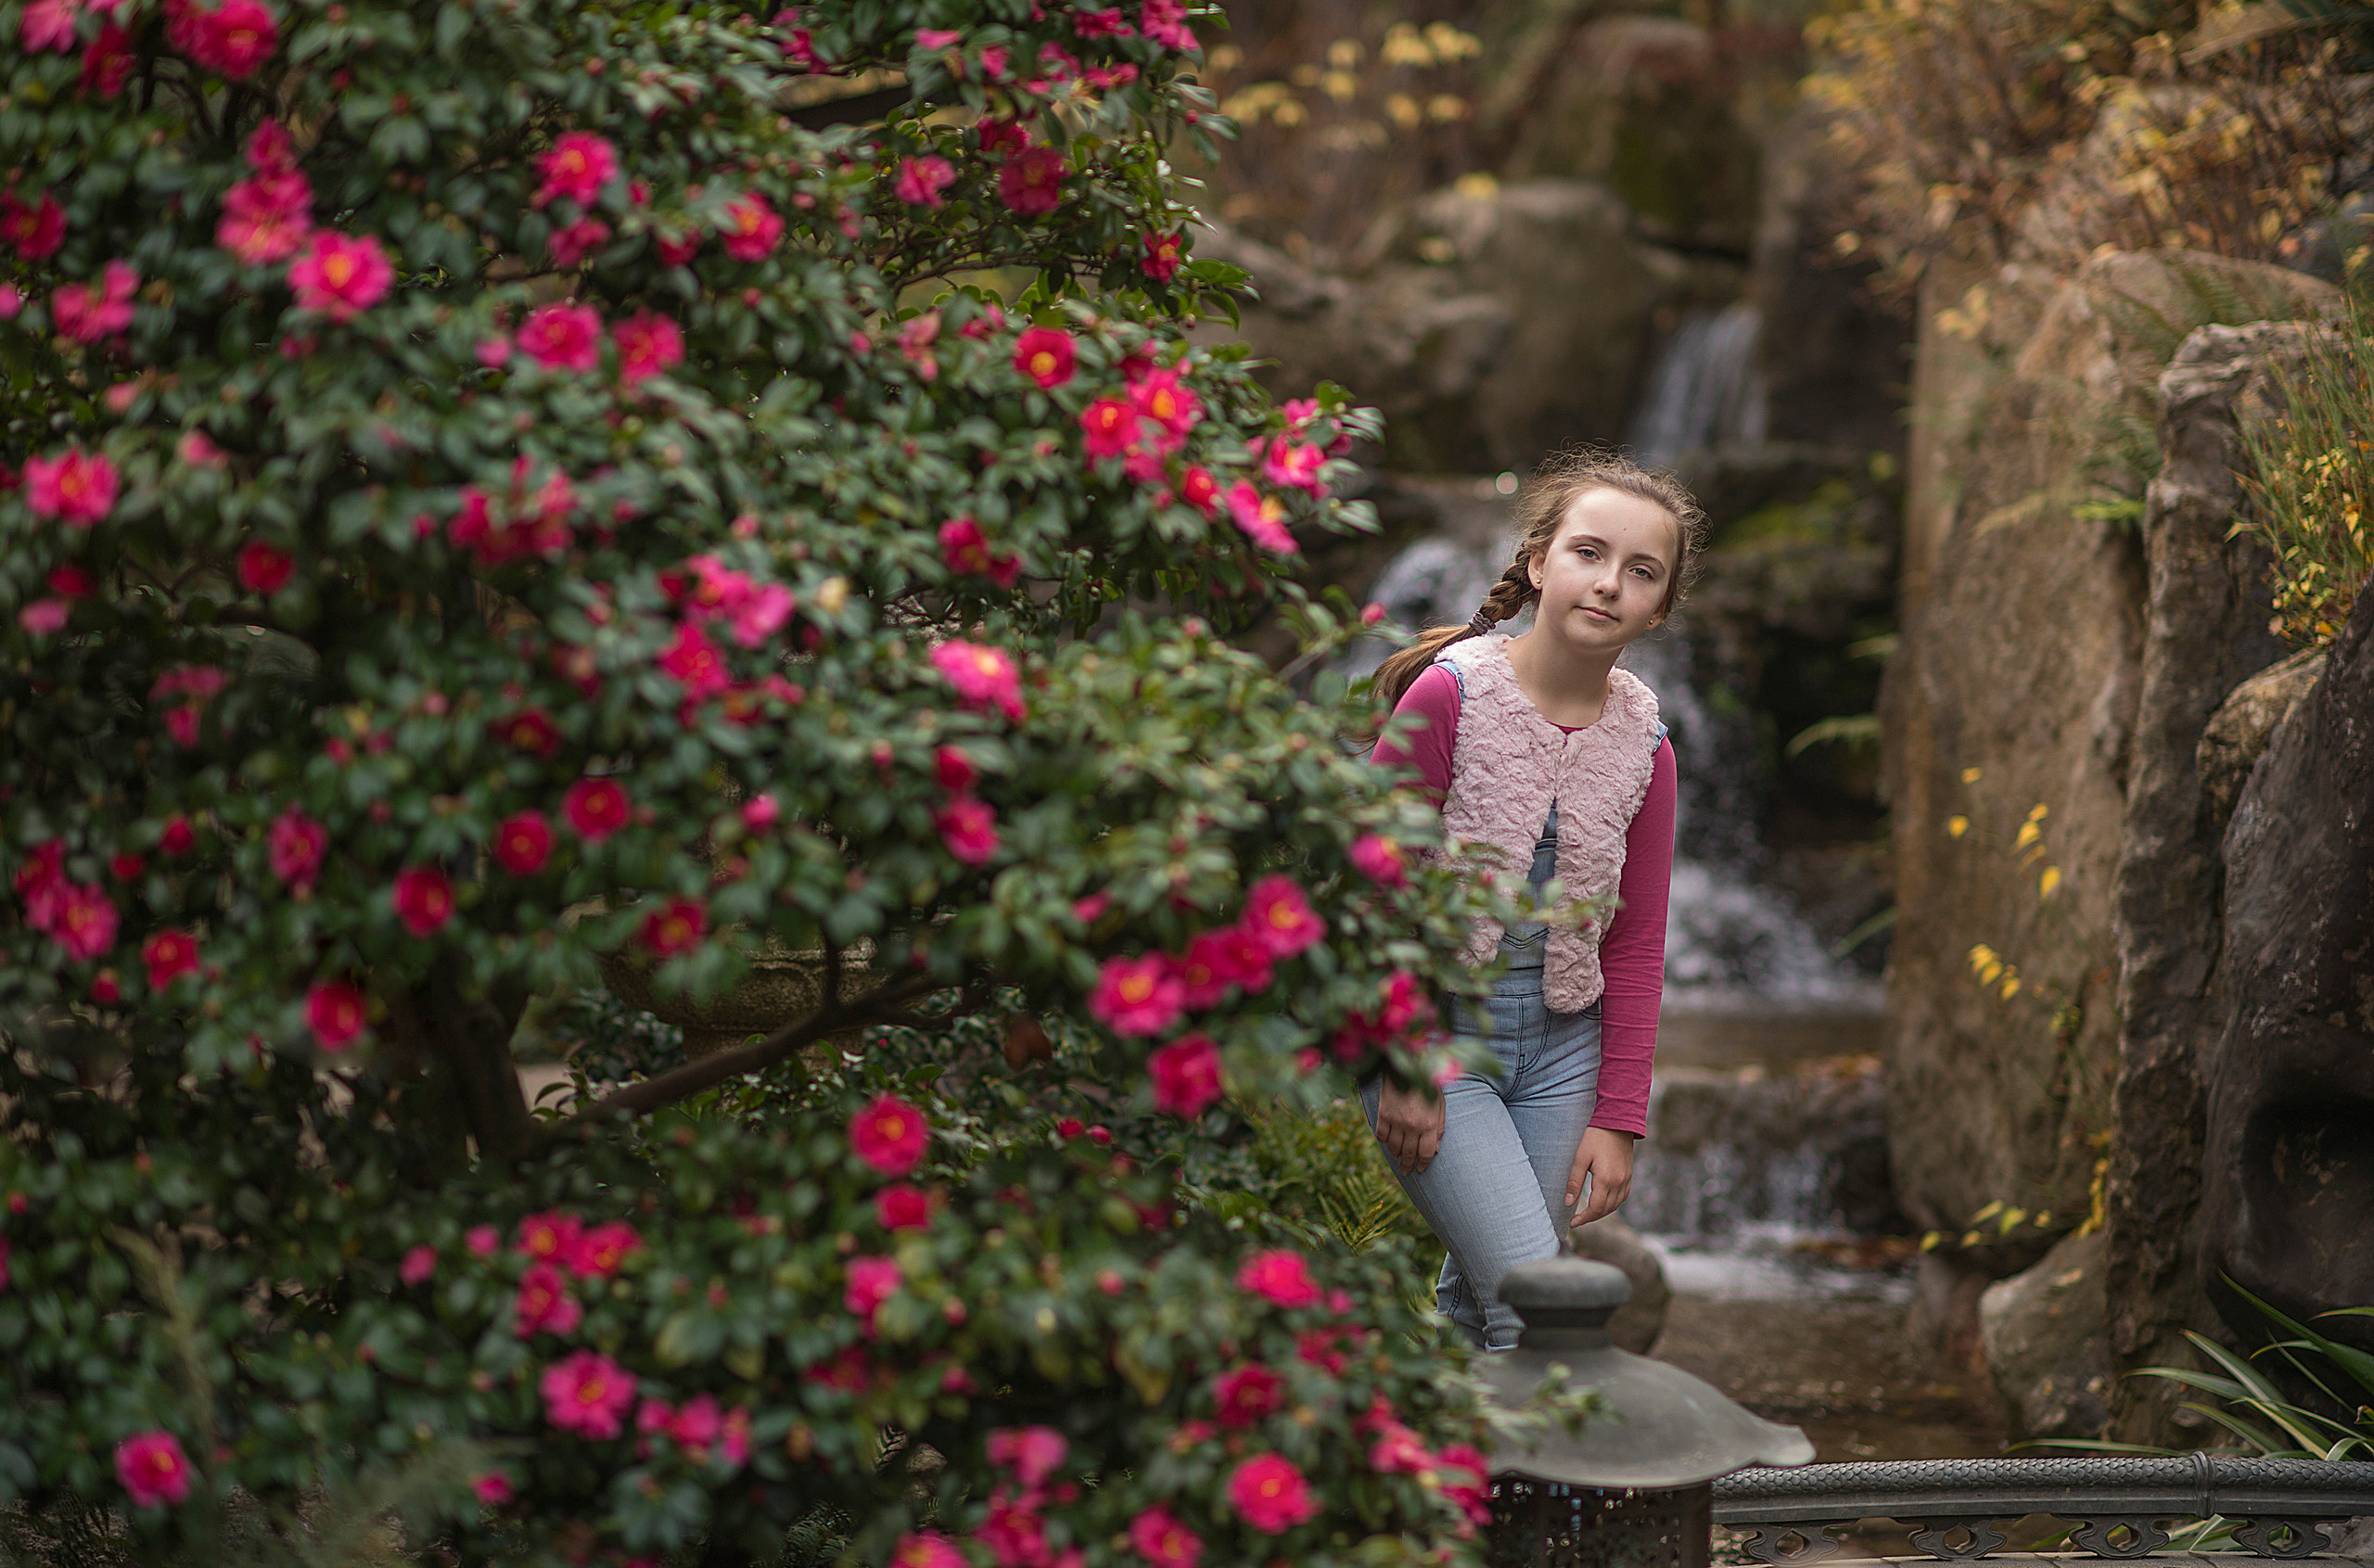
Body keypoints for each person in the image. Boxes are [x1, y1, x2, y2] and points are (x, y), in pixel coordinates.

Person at [1362, 448, 1703, 1351]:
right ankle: (1544, 1458)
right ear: (1540, 561)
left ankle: (1449, 1444)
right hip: (1442, 1037)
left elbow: (1636, 940)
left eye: (1642, 571)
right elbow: (1370, 891)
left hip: (1563, 1053)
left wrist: (1618, 1116)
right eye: (1589, 553)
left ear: (1660, 607)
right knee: (1538, 1310)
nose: (1610, 582)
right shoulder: (1451, 696)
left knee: (1485, 1309)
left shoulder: (1648, 745)